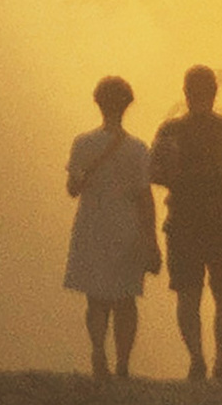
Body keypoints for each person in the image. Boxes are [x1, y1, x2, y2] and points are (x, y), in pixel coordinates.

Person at [146, 63, 222, 382]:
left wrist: (179, 176)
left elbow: (153, 174)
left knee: (188, 294)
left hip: (183, 222)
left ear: (185, 94)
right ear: (214, 92)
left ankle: (197, 358)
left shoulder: (170, 131)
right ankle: (221, 362)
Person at [63, 74, 159, 381]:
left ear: (97, 103)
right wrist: (151, 240)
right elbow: (146, 198)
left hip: (92, 224)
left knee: (96, 296)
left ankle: (98, 351)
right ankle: (123, 364)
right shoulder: (138, 149)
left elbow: (72, 189)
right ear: (128, 104)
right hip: (127, 228)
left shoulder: (82, 143)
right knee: (125, 298)